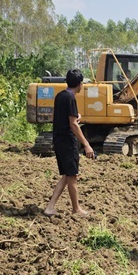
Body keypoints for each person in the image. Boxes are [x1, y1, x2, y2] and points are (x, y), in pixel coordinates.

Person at [44, 69, 95, 217]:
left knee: (67, 175)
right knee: (72, 176)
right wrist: (86, 145)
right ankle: (76, 209)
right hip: (67, 141)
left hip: (58, 139)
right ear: (80, 84)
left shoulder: (60, 96)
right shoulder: (71, 98)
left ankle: (50, 207)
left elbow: (62, 117)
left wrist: (75, 116)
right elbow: (73, 125)